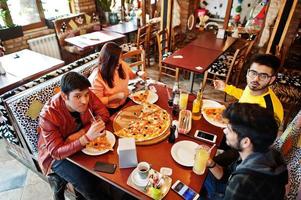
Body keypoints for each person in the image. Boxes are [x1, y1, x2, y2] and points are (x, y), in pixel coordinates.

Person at [38, 72, 110, 200]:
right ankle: (58, 179)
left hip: (82, 145)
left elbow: (104, 114)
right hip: (55, 156)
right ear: (64, 96)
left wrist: (80, 134)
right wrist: (86, 137)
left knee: (106, 172)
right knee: (89, 184)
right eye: (77, 96)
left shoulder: (86, 94)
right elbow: (56, 152)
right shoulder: (48, 115)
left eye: (86, 95)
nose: (84, 101)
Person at [200, 103, 288, 200]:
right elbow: (227, 175)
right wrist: (211, 163)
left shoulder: (241, 184)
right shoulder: (266, 153)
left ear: (246, 142)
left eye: (229, 129)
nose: (224, 131)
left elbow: (233, 185)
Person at [213, 54, 283, 122]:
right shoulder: (253, 87)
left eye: (263, 76)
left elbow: (264, 133)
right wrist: (226, 88)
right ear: (247, 73)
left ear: (271, 80)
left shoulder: (270, 110)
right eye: (253, 73)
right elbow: (245, 95)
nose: (255, 79)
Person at [89, 42, 146, 114]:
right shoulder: (97, 78)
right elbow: (96, 102)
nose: (120, 62)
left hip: (124, 102)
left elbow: (131, 75)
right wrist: (114, 97)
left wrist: (138, 73)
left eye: (120, 58)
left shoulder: (121, 64)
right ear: (107, 63)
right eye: (116, 63)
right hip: (109, 110)